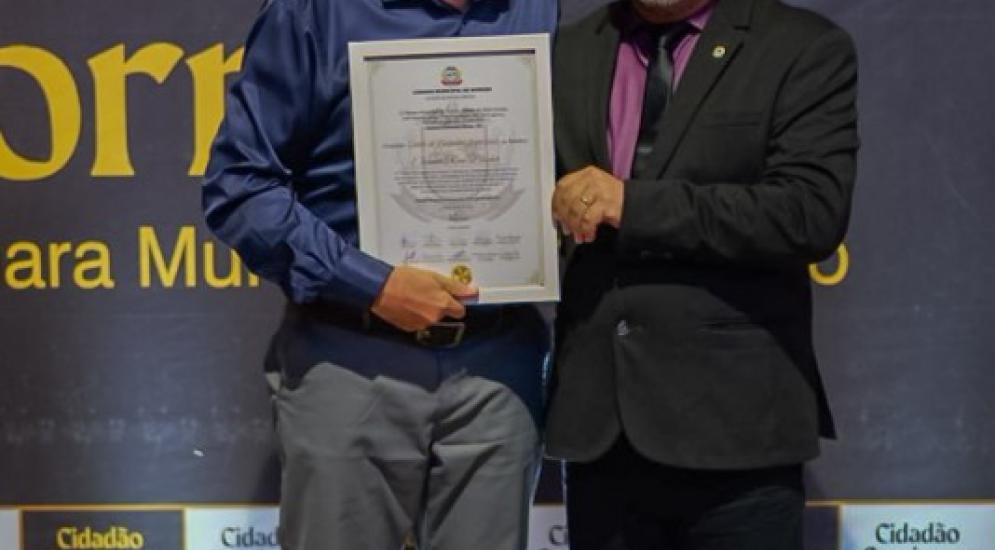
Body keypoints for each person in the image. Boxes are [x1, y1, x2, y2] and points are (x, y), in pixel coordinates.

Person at [202, 1, 557, 549]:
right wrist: (372, 285)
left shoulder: (545, 8)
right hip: (350, 358)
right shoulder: (315, 11)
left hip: (500, 366)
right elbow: (240, 186)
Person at [547, 0, 858, 548]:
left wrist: (633, 204)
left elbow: (809, 213)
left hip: (737, 434)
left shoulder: (802, 46)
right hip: (601, 431)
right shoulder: (565, 50)